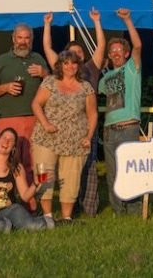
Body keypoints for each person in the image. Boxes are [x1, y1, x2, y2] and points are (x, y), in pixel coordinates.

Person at [42, 9, 106, 217]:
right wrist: (47, 25)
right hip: (63, 129)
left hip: (87, 127)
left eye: (79, 53)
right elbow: (47, 48)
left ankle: (88, 208)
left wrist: (96, 22)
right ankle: (67, 207)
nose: (76, 56)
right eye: (72, 54)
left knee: (88, 168)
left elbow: (101, 47)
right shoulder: (61, 72)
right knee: (64, 169)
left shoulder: (91, 68)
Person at [30, 50, 97, 221]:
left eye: (74, 63)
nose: (70, 67)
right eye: (66, 63)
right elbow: (36, 104)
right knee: (44, 175)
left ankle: (66, 218)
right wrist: (45, 123)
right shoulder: (50, 82)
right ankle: (47, 216)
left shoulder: (86, 87)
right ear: (60, 65)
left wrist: (88, 136)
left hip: (75, 139)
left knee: (71, 179)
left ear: (78, 65)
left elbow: (92, 114)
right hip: (47, 138)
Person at [0, 23, 49, 175]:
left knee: (34, 161)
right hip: (8, 119)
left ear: (32, 40)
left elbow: (53, 87)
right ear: (13, 39)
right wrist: (6, 88)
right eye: (20, 38)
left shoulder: (38, 59)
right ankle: (7, 194)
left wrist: (44, 74)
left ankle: (31, 197)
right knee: (8, 159)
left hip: (34, 119)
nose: (23, 42)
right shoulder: (1, 61)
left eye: (27, 38)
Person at [99, 8, 143, 215]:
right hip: (109, 129)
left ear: (125, 54)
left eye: (119, 51)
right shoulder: (105, 78)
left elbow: (138, 45)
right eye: (112, 52)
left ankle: (134, 210)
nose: (116, 54)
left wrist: (127, 20)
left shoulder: (132, 69)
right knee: (112, 173)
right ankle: (118, 211)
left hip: (128, 128)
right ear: (109, 55)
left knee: (131, 170)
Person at [0, 128, 53, 232]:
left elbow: (25, 196)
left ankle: (51, 222)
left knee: (32, 226)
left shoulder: (17, 167)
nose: (6, 142)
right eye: (4, 138)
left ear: (13, 147)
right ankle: (14, 226)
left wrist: (35, 183)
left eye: (10, 140)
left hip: (11, 210)